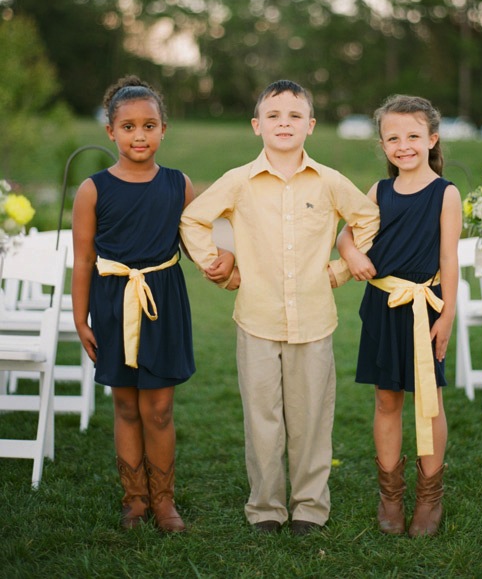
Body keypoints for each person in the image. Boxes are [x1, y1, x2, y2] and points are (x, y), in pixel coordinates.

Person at [179, 79, 380, 536]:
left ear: (310, 125)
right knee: (262, 418)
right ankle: (266, 507)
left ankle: (309, 506)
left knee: (311, 419)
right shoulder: (238, 181)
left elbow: (368, 218)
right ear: (257, 125)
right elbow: (193, 219)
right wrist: (219, 266)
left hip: (314, 320)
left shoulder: (329, 181)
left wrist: (341, 269)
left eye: (294, 116)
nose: (283, 123)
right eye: (273, 115)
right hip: (257, 317)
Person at [71, 76, 232, 532]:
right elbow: (83, 259)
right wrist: (80, 318)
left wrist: (226, 258)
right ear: (111, 132)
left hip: (164, 302)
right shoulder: (93, 189)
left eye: (149, 125)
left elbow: (198, 244)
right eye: (128, 127)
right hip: (113, 303)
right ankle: (135, 500)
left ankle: (163, 501)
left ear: (164, 129)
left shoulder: (179, 185)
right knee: (125, 406)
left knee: (158, 409)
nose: (139, 135)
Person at [337, 94, 461, 538]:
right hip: (383, 306)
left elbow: (449, 259)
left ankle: (429, 498)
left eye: (412, 136)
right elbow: (346, 235)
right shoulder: (379, 191)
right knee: (386, 399)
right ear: (383, 145)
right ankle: (390, 496)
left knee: (429, 402)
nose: (403, 145)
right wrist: (352, 254)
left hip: (426, 308)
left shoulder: (445, 194)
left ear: (432, 138)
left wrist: (447, 316)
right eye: (393, 138)